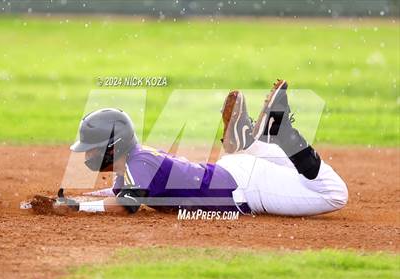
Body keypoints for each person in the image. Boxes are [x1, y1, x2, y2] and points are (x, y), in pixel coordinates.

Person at [56, 79, 348, 217]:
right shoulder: (134, 161)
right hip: (236, 173)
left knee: (333, 194)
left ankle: (282, 134)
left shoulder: (138, 164)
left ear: (113, 147)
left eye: (92, 148)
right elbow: (117, 192)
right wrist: (73, 197)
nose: (87, 155)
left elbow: (126, 205)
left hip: (247, 187)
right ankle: (256, 142)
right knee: (300, 177)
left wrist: (78, 207)